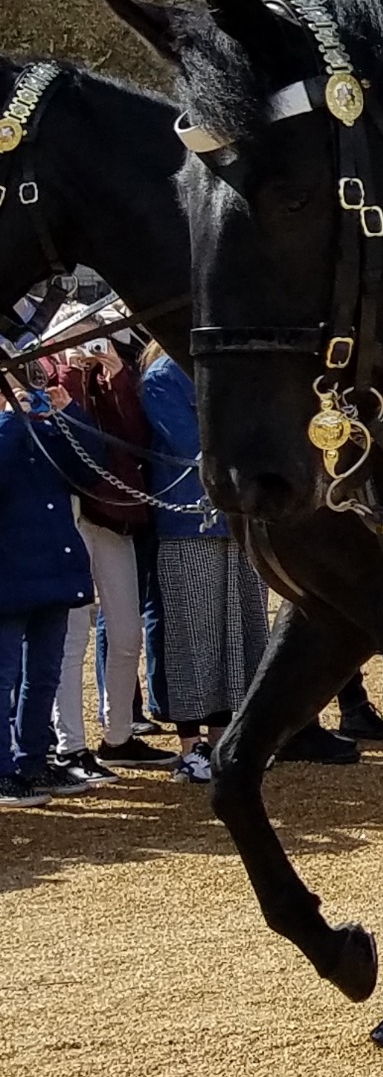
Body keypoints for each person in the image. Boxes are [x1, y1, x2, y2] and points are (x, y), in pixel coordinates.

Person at [138, 344, 267, 782]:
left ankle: (226, 735)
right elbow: (191, 446)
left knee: (242, 628)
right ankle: (191, 745)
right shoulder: (161, 377)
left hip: (238, 520)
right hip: (187, 522)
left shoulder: (225, 370)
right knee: (194, 635)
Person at [39, 307, 151, 777]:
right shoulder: (46, 378)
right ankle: (70, 745)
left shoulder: (105, 381)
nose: (87, 349)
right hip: (68, 517)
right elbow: (68, 445)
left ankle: (119, 735)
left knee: (126, 632)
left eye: (94, 339)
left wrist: (118, 377)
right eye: (80, 339)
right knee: (72, 638)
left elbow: (134, 438)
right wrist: (69, 380)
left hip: (112, 514)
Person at [1, 368, 93, 805]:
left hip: (54, 569)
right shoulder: (11, 428)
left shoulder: (37, 430)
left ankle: (32, 761)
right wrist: (10, 419)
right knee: (3, 678)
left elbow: (88, 469)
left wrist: (69, 413)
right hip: (9, 573)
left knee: (43, 675)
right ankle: (2, 769)